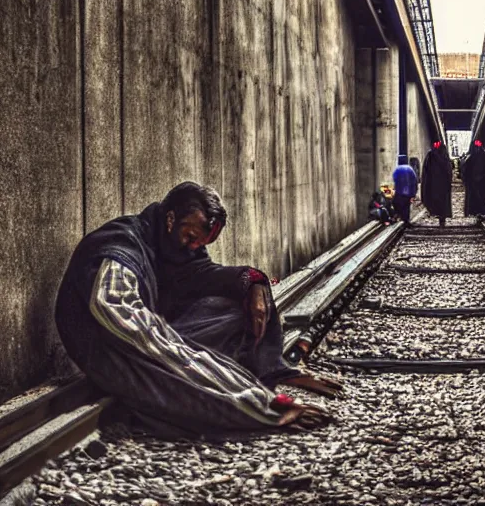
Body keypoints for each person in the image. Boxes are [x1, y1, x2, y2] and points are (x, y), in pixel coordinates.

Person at [55, 182, 337, 439]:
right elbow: (139, 332)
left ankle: (270, 372)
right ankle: (248, 404)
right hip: (112, 350)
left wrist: (253, 280)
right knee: (185, 381)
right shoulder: (121, 247)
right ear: (169, 220)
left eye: (201, 244)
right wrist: (263, 406)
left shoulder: (173, 245)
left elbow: (204, 275)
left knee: (243, 307)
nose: (194, 248)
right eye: (190, 238)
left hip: (149, 336)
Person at [421, 141, 453, 227]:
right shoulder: (445, 156)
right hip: (443, 184)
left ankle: (436, 213)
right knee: (443, 202)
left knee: (435, 200)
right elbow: (449, 171)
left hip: (433, 184)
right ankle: (442, 219)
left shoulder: (430, 155)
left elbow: (426, 171)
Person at [463, 140, 485, 216]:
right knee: (477, 197)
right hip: (477, 181)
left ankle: (477, 210)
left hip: (481, 180)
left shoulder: (473, 157)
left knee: (479, 197)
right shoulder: (473, 157)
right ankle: (477, 210)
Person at [392, 155, 418, 225]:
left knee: (397, 204)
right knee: (406, 206)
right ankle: (406, 221)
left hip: (399, 191)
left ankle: (398, 217)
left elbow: (394, 179)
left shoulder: (397, 169)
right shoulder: (410, 169)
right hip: (408, 192)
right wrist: (414, 192)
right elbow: (415, 180)